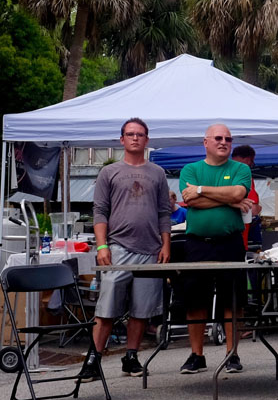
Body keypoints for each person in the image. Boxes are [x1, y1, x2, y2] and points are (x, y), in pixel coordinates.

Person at [79, 118, 171, 382]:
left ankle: (131, 357)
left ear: (147, 140)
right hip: (117, 248)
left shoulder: (158, 173)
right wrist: (102, 245)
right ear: (121, 140)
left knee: (142, 309)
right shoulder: (109, 172)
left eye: (140, 134)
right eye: (130, 134)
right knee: (106, 308)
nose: (135, 138)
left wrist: (165, 243)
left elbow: (164, 212)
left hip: (150, 250)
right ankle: (93, 359)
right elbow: (99, 211)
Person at [178, 124, 254, 375]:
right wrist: (229, 200)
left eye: (228, 139)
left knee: (232, 299)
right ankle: (196, 355)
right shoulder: (191, 169)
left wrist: (201, 190)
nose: (224, 142)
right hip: (197, 244)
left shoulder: (240, 168)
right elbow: (189, 200)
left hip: (230, 242)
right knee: (194, 300)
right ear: (205, 142)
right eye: (218, 138)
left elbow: (238, 192)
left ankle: (232, 353)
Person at [231, 145, 262, 248]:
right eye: (252, 162)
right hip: (238, 236)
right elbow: (253, 209)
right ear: (248, 160)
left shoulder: (219, 172)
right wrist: (258, 207)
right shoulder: (245, 176)